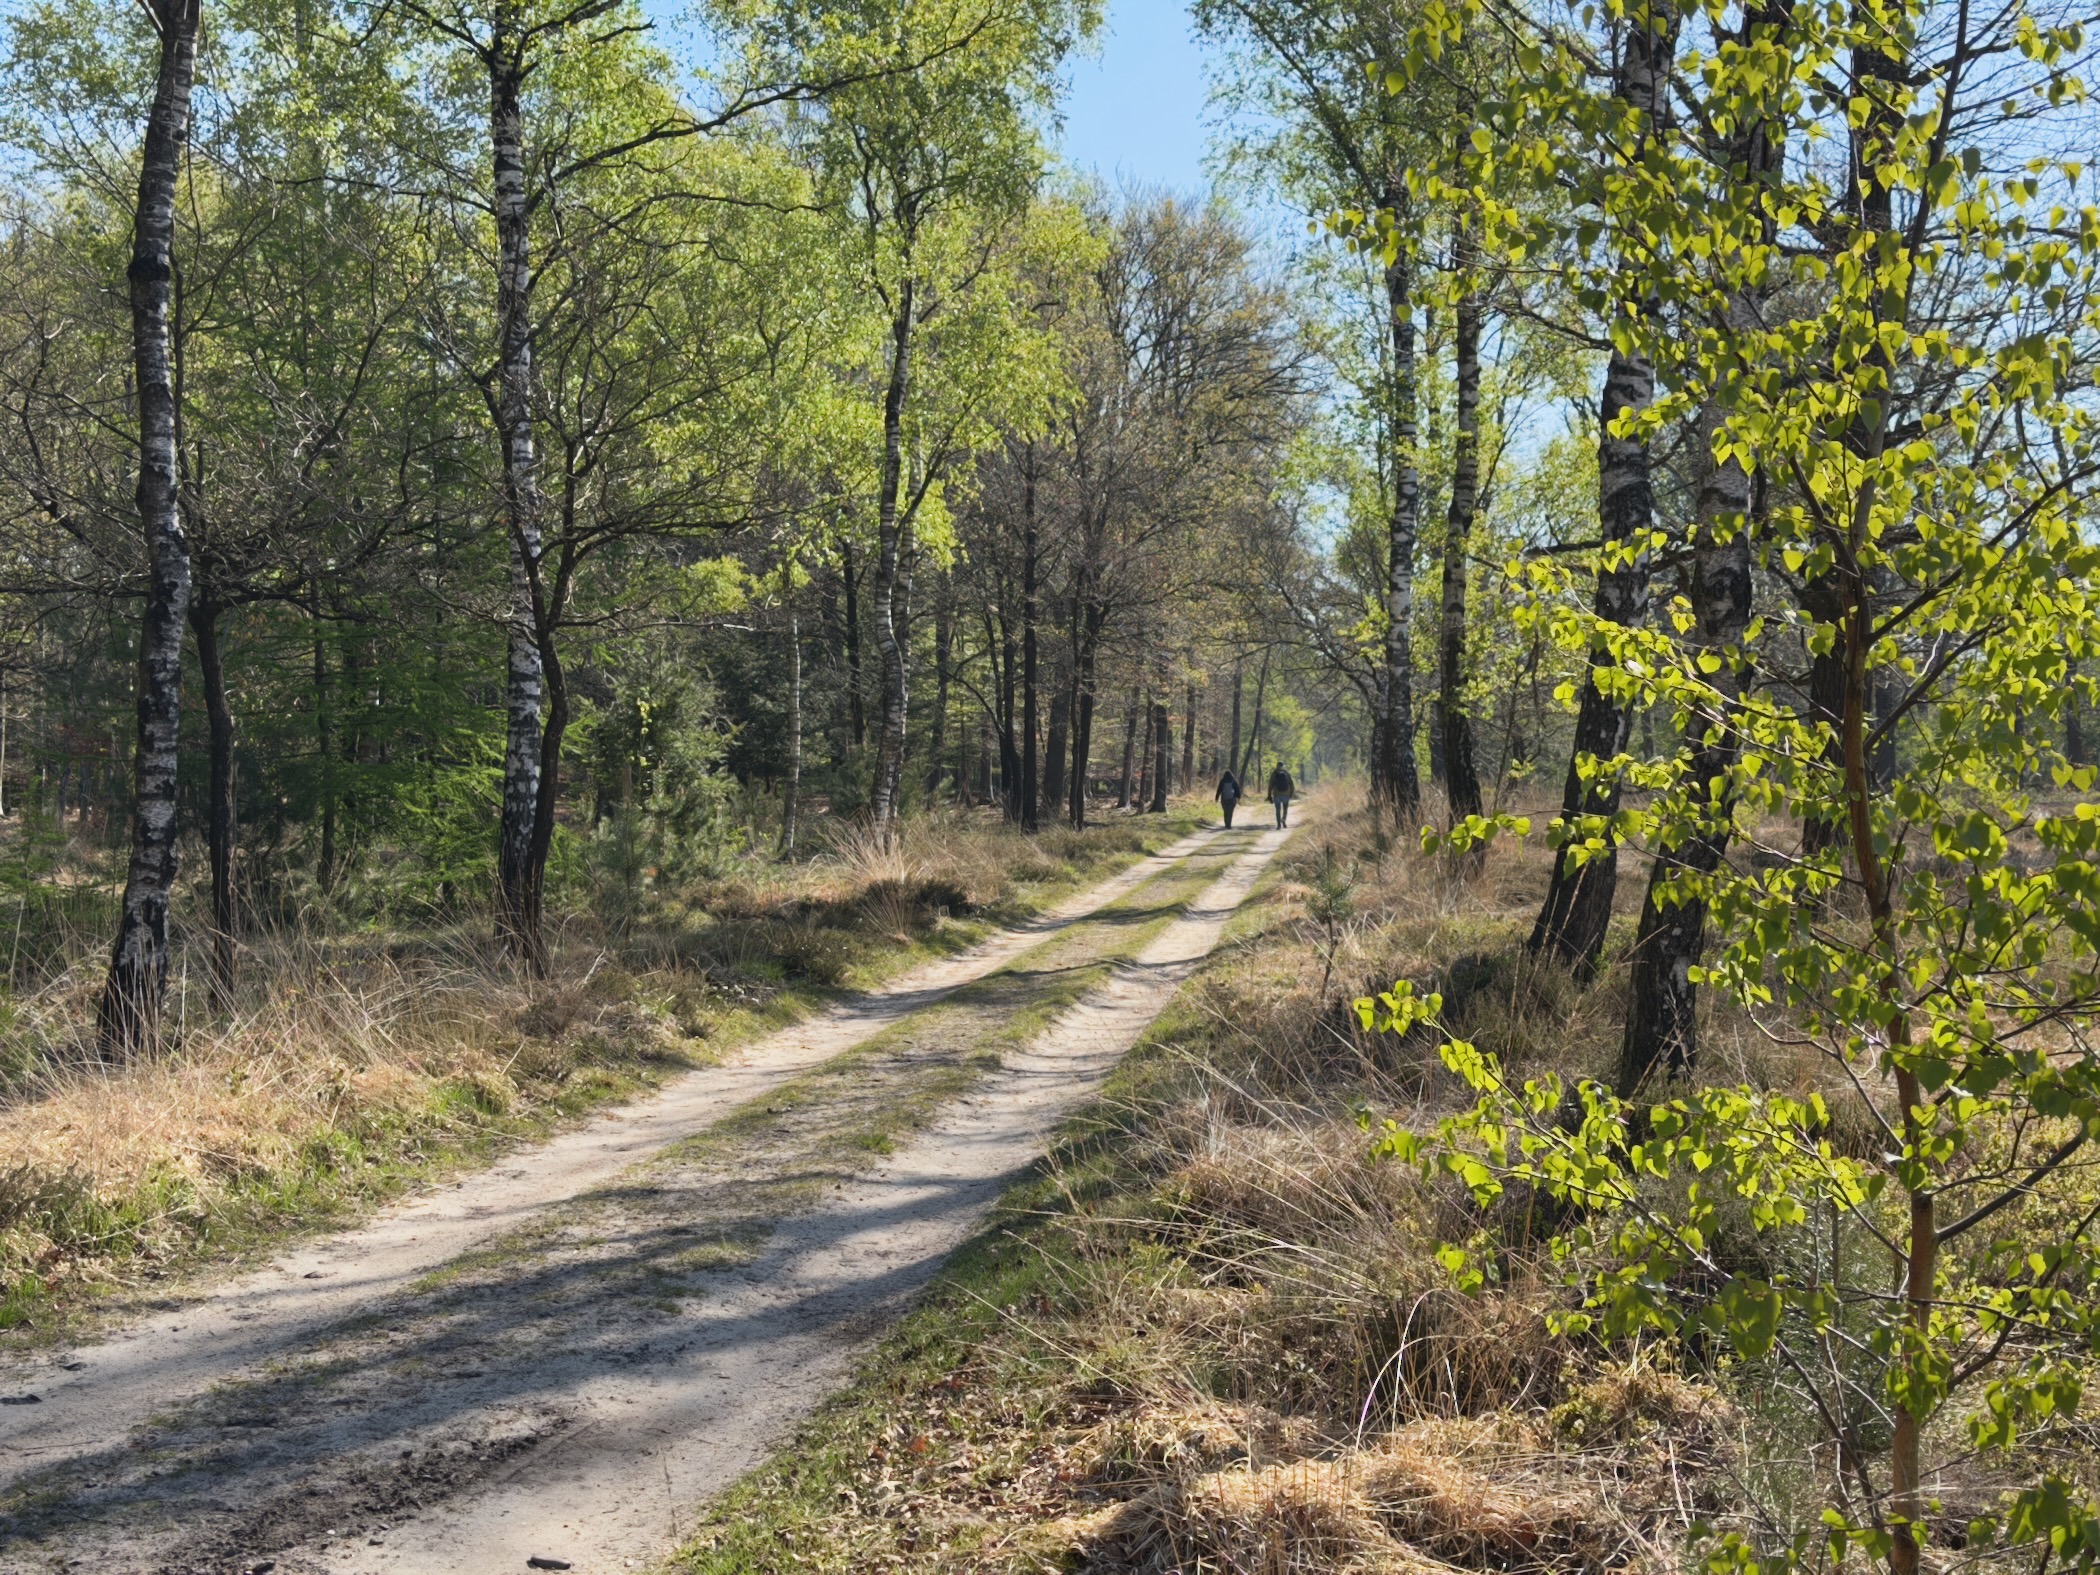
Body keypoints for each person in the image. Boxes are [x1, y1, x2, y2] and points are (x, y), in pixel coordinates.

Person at [1267, 760, 1294, 828]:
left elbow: (1270, 785)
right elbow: (1291, 784)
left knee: (1278, 810)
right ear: (1283, 765)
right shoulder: (1287, 773)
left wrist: (1269, 795)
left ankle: (1278, 824)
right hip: (1286, 794)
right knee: (1285, 809)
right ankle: (1283, 819)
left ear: (1277, 765)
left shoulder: (1274, 773)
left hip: (1277, 794)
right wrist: (1291, 793)